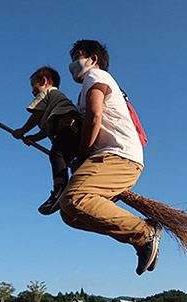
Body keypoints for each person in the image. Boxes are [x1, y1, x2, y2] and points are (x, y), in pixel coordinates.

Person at [58, 40, 162, 275]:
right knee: (70, 215)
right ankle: (140, 236)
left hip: (119, 157)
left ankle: (144, 233)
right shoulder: (86, 89)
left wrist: (83, 154)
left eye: (78, 56)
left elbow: (95, 116)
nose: (73, 63)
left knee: (74, 199)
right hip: (107, 160)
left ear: (93, 59)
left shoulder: (96, 77)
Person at [12, 67, 82, 215]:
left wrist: (22, 131)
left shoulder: (46, 93)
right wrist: (34, 138)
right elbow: (46, 129)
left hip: (69, 128)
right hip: (74, 131)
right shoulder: (55, 102)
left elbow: (37, 114)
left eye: (33, 86)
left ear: (44, 81)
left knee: (56, 154)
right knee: (67, 160)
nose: (32, 92)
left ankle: (59, 189)